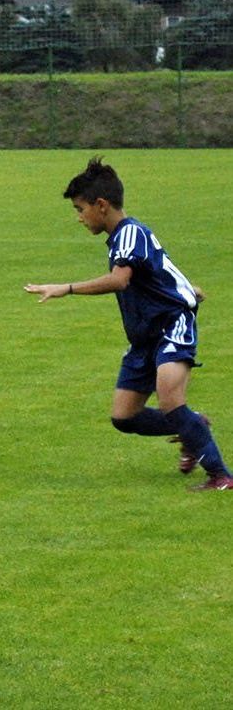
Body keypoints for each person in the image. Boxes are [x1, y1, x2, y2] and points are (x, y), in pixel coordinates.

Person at [25, 157, 232, 491]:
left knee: (169, 398)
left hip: (171, 325)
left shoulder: (130, 232)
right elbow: (161, 267)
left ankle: (220, 476)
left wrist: (67, 288)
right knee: (124, 417)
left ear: (102, 205)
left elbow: (120, 280)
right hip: (145, 335)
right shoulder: (126, 236)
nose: (79, 218)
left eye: (80, 209)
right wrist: (186, 287)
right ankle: (194, 426)